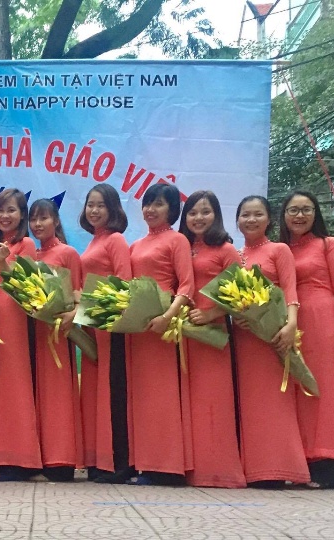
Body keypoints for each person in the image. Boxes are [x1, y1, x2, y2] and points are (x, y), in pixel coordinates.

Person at [232, 195, 309, 488]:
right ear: (237, 220)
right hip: (244, 338)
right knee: (248, 402)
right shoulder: (235, 256)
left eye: (257, 214)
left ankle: (278, 468)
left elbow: (290, 291)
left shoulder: (279, 250)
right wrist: (235, 317)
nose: (251, 220)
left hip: (273, 336)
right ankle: (251, 468)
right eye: (245, 215)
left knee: (275, 401)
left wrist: (291, 325)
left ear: (269, 219)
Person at [280, 190, 334, 489]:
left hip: (322, 322)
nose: (299, 215)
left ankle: (326, 465)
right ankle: (300, 462)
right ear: (283, 215)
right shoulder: (281, 248)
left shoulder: (329, 244)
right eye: (293, 210)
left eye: (306, 209)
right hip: (289, 325)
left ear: (316, 213)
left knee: (323, 389)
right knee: (295, 392)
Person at [127, 183, 195, 485]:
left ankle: (168, 467)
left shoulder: (177, 240)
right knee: (142, 396)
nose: (151, 209)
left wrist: (167, 317)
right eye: (148, 203)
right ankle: (146, 462)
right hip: (139, 328)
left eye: (159, 204)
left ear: (172, 209)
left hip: (165, 328)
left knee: (164, 396)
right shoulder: (135, 245)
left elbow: (187, 285)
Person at [179, 191, 246, 488]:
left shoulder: (226, 250)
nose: (198, 218)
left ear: (216, 215)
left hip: (212, 335)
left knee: (213, 401)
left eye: (205, 212)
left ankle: (218, 470)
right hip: (181, 334)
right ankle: (188, 468)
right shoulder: (182, 247)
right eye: (192, 212)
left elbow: (243, 296)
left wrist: (211, 314)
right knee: (188, 402)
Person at [77, 184, 133, 484]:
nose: (94, 210)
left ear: (112, 209)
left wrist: (102, 310)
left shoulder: (115, 240)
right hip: (94, 322)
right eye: (90, 204)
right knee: (98, 392)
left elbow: (125, 282)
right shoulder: (94, 241)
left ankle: (119, 463)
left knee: (113, 392)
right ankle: (101, 460)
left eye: (100, 205)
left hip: (111, 324)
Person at [0, 188, 43, 482]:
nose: (5, 216)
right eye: (0, 210)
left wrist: (4, 264)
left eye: (11, 210)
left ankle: (21, 459)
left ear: (22, 215)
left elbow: (28, 288)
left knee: (14, 385)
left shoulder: (26, 244)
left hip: (14, 320)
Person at [30, 198, 85, 482]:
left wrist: (71, 315)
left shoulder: (68, 253)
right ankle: (38, 458)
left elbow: (79, 294)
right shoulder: (31, 256)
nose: (38, 224)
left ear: (56, 221)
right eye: (34, 219)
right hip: (34, 333)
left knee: (58, 394)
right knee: (37, 395)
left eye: (44, 218)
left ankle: (61, 460)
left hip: (59, 334)